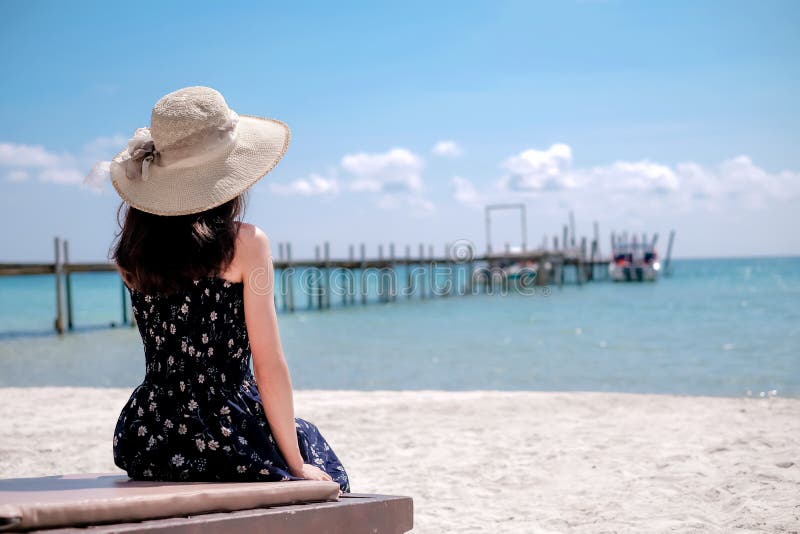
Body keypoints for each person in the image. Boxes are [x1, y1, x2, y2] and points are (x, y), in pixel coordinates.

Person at [87, 86, 350, 493]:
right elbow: (269, 363)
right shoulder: (247, 244)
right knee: (317, 455)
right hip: (228, 431)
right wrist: (296, 464)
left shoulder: (130, 255)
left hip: (150, 433)